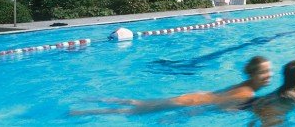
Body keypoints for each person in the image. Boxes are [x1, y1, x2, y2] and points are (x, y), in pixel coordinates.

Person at [70, 56, 272, 115]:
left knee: (140, 103)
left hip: (195, 96)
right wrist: (178, 117)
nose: (268, 75)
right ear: (253, 74)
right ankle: (83, 111)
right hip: (190, 102)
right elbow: (215, 107)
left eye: (269, 71)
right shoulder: (246, 93)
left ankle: (96, 100)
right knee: (135, 111)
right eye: (264, 72)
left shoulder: (246, 85)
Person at [251, 60, 295, 126]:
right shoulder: (294, 97)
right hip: (273, 118)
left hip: (260, 107)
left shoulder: (279, 90)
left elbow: (257, 104)